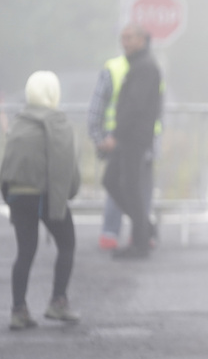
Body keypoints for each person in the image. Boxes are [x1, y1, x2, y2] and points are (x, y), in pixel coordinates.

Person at [1, 71, 81, 329]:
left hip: (18, 195)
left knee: (25, 252)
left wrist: (9, 198)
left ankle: (18, 310)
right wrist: (67, 194)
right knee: (67, 243)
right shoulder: (58, 122)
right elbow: (67, 165)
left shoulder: (19, 123)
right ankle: (58, 302)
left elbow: (6, 163)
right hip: (46, 195)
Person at [88, 27, 161, 251]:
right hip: (128, 137)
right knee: (112, 181)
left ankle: (139, 241)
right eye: (122, 38)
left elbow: (135, 106)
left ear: (141, 39)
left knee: (130, 187)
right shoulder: (137, 64)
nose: (124, 43)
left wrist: (115, 136)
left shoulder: (145, 66)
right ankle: (144, 227)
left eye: (129, 38)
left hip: (133, 138)